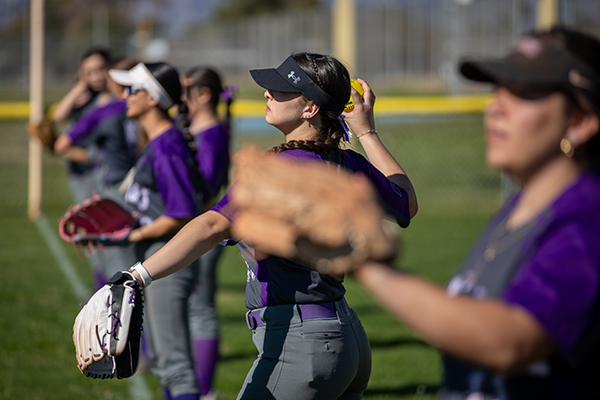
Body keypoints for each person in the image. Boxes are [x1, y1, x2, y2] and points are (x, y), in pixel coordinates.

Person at [120, 52, 416, 400]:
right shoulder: (346, 161)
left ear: (310, 109)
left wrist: (137, 275)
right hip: (346, 337)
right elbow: (405, 204)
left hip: (300, 345)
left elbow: (213, 224)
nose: (267, 94)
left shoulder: (278, 168)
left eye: (280, 90)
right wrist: (366, 132)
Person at [345, 26, 600, 400]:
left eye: (525, 94)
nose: (496, 106)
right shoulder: (521, 207)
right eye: (498, 90)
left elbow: (510, 342)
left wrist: (364, 262)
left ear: (580, 122)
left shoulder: (588, 218)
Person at [109, 62, 209, 400]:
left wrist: (131, 236)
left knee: (174, 364)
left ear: (153, 98)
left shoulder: (166, 145)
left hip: (168, 260)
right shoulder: (156, 141)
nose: (125, 96)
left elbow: (181, 213)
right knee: (167, 363)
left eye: (132, 89)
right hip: (158, 257)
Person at [53, 55, 140, 286]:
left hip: (115, 190)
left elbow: (61, 143)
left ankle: (114, 314)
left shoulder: (106, 111)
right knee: (142, 265)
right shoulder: (149, 105)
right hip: (144, 189)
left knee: (118, 266)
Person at [180, 66, 235, 400]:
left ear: (203, 94)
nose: (180, 97)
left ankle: (204, 391)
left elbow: (207, 186)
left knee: (201, 310)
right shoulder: (193, 126)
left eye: (186, 90)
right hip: (191, 228)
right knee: (189, 309)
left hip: (205, 231)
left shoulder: (211, 132)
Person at [52, 46, 113, 203]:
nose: (97, 76)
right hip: (80, 172)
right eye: (90, 72)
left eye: (101, 69)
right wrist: (81, 83)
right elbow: (58, 115)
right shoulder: (84, 95)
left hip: (101, 167)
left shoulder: (110, 98)